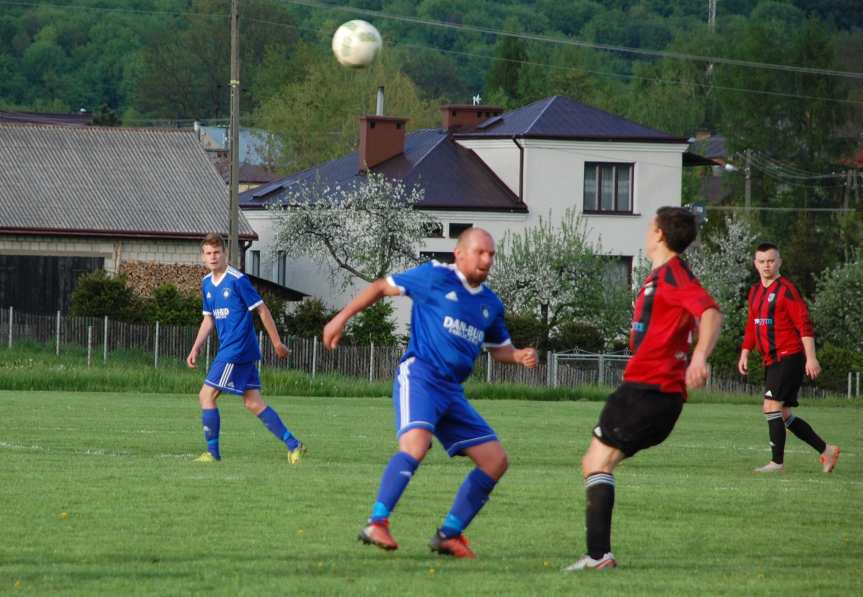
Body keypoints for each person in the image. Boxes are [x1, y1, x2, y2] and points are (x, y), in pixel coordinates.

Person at [322, 228, 538, 559]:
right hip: (421, 375)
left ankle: (449, 534)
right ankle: (376, 522)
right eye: (480, 252)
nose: (487, 260)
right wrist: (340, 319)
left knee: (495, 461)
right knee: (416, 445)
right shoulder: (434, 276)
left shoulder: (489, 304)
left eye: (491, 255)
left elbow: (499, 349)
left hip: (452, 391)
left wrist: (519, 354)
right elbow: (381, 287)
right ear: (459, 254)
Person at [564, 207, 723, 572]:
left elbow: (711, 313)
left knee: (596, 462)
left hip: (648, 390)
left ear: (660, 235)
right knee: (597, 463)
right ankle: (598, 554)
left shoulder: (673, 275)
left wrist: (699, 358)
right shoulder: (662, 276)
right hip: (650, 392)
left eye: (650, 226)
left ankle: (598, 556)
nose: (646, 231)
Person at [186, 233, 306, 464]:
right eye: (208, 253)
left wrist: (276, 342)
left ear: (225, 254)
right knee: (252, 402)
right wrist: (195, 348)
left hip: (236, 348)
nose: (213, 257)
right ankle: (293, 445)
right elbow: (208, 319)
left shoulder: (237, 279)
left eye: (217, 252)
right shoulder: (206, 284)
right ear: (203, 257)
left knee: (206, 394)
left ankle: (213, 453)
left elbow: (262, 309)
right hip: (236, 350)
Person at [737, 242, 839, 474]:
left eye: (771, 261)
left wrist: (811, 358)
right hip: (771, 361)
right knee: (783, 414)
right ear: (755, 264)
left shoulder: (787, 290)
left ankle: (777, 463)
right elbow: (752, 326)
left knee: (771, 407)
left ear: (779, 262)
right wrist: (744, 352)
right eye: (762, 261)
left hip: (789, 357)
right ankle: (827, 450)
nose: (766, 265)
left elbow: (804, 324)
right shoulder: (754, 292)